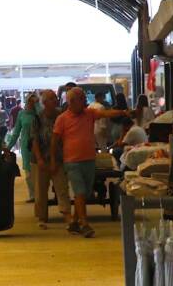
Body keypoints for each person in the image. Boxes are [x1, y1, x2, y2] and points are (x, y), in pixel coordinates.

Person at [53, 87, 130, 238]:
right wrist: (54, 159)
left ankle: (74, 222)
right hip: (72, 161)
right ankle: (85, 224)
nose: (85, 101)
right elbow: (54, 141)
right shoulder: (62, 119)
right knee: (80, 192)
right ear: (72, 101)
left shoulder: (89, 114)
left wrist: (122, 112)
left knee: (84, 194)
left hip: (89, 160)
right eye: (82, 98)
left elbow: (106, 113)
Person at [32, 89, 72, 231]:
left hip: (59, 157)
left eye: (56, 98)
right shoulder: (38, 118)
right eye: (52, 98)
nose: (56, 100)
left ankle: (67, 216)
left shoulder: (61, 115)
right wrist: (39, 159)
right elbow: (35, 140)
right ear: (44, 103)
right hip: (41, 159)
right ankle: (42, 218)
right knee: (41, 190)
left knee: (61, 187)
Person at [5, 91, 39, 203]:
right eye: (30, 100)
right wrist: (8, 147)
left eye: (34, 101)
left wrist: (37, 104)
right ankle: (32, 195)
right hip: (26, 146)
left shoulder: (39, 113)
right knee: (29, 173)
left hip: (39, 145)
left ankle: (40, 194)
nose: (32, 103)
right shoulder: (22, 114)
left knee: (38, 172)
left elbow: (42, 118)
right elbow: (16, 132)